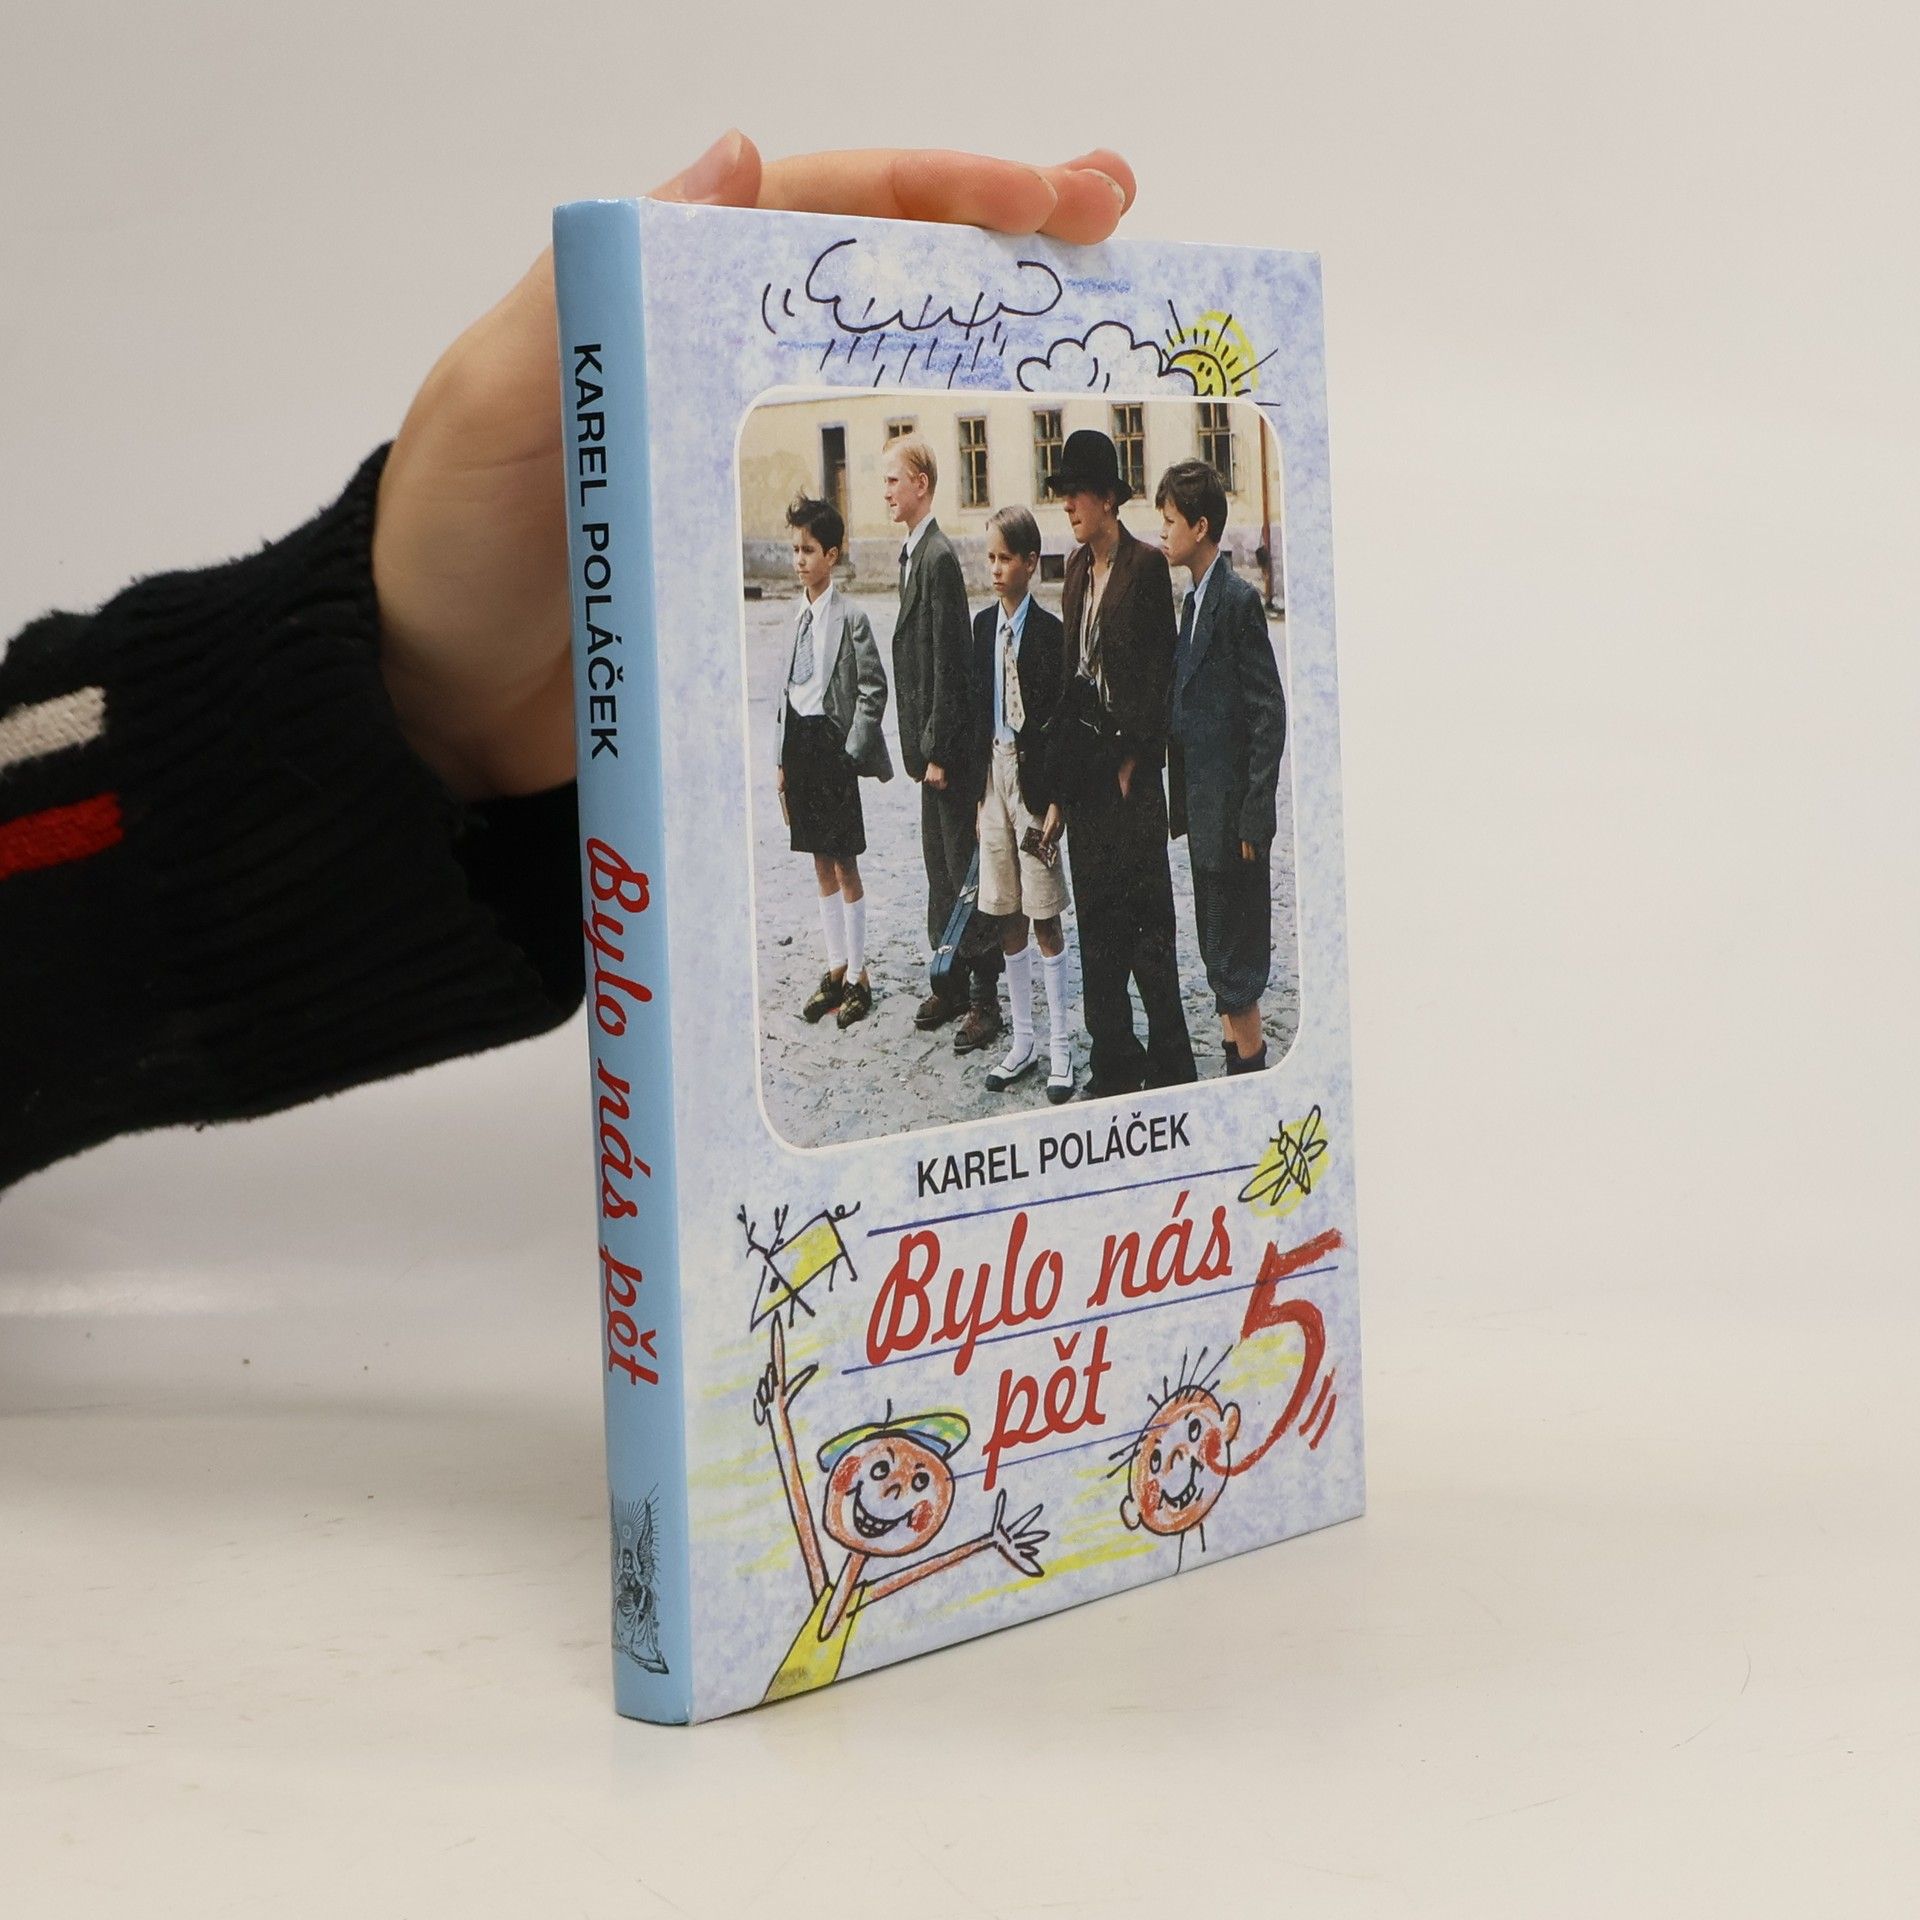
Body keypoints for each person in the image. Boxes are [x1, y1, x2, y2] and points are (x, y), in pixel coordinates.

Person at [0, 134, 1139, 1194]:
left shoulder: (939, 578)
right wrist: (414, 700)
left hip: (946, 762)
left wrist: (415, 697)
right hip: (843, 751)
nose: (859, 514)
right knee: (885, 877)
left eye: (879, 494)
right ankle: (914, 987)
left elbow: (907, 672)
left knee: (990, 894)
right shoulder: (847, 598)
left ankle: (997, 1011)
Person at [1049, 429, 1197, 1097]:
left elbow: (1162, 679)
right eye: (1062, 495)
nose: (1067, 506)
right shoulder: (1076, 571)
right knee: (1097, 929)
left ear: (1108, 498)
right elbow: (1069, 679)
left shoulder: (1144, 568)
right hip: (1088, 778)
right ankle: (1113, 1059)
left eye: (1076, 493)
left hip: (1130, 783)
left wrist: (1137, 759)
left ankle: (1170, 1063)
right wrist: (1061, 784)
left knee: (1147, 931)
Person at [1155, 459, 1287, 1073]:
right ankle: (1234, 1055)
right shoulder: (1193, 602)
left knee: (1237, 957)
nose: (1162, 531)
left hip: (1234, 821)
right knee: (1216, 946)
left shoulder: (1236, 602)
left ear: (1200, 526)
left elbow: (1268, 713)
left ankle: (1249, 1070)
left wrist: (1255, 814)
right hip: (1205, 816)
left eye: (1170, 520)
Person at [883, 434, 1004, 1053]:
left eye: (893, 480)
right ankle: (951, 979)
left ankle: (985, 998)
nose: (886, 491)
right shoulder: (914, 555)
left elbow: (951, 664)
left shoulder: (938, 559)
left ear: (922, 484)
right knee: (939, 865)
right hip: (928, 755)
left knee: (962, 870)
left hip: (947, 756)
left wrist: (936, 750)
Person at [965, 506, 1074, 1103]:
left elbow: (1060, 724)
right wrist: (975, 791)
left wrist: (1058, 799)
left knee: (1043, 911)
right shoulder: (984, 627)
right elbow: (974, 709)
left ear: (1032, 563)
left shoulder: (1051, 635)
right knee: (1005, 908)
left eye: (1006, 559)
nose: (996, 569)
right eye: (990, 558)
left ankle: (1061, 1043)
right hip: (993, 777)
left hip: (1034, 785)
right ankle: (1025, 1039)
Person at [775, 495, 892, 1029]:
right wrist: (780, 760)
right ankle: (836, 965)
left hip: (832, 749)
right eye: (795, 550)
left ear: (832, 555)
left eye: (809, 550)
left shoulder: (850, 618)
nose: (799, 560)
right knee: (818, 860)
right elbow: (784, 695)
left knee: (845, 861)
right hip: (799, 747)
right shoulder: (796, 615)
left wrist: (850, 752)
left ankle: (860, 975)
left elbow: (873, 688)